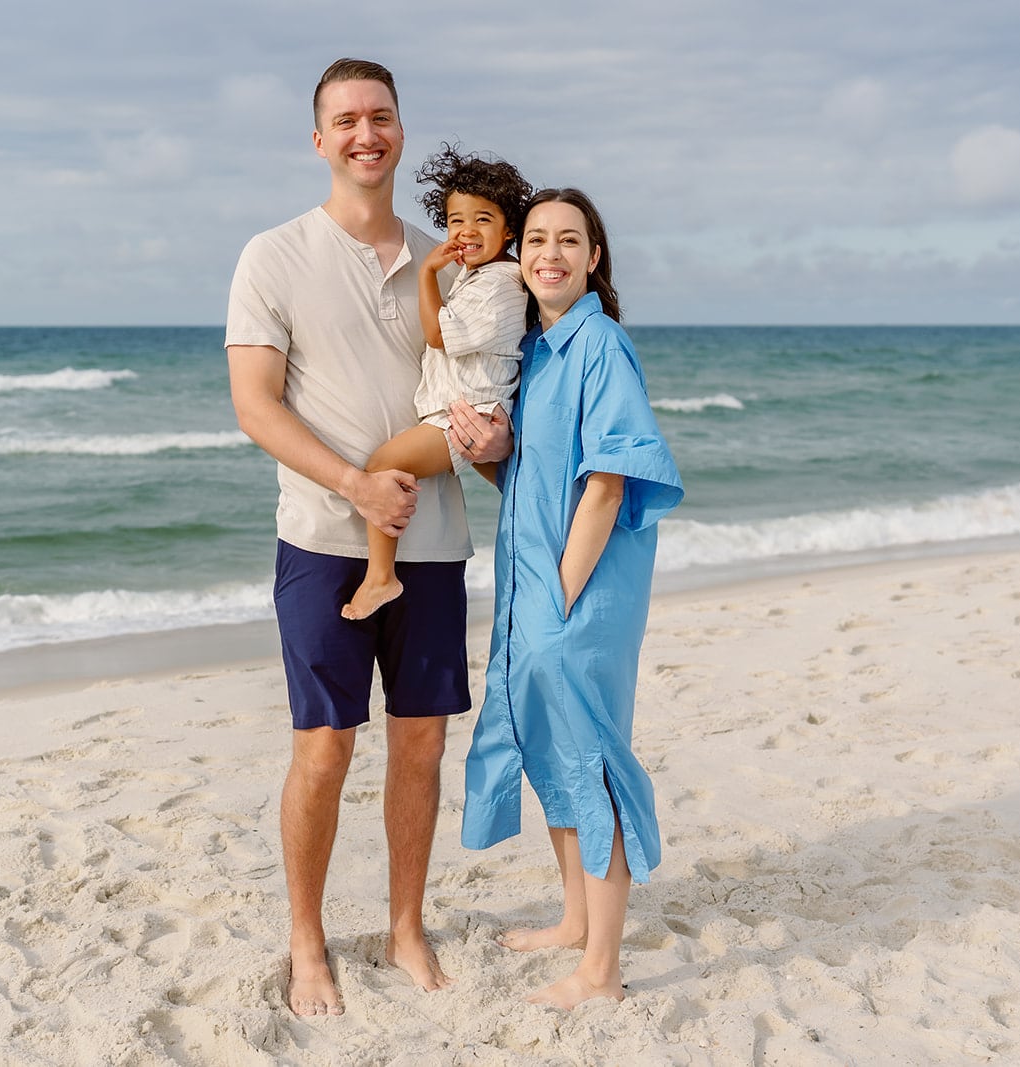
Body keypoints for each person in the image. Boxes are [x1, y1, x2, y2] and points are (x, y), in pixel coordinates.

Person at [224, 58, 512, 1018]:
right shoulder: (273, 255)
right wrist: (353, 480)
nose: (365, 134)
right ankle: (307, 939)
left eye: (380, 117)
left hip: (431, 543)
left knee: (421, 744)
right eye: (345, 120)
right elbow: (253, 404)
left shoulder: (453, 259)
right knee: (324, 746)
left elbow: (477, 386)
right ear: (319, 140)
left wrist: (493, 442)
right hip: (319, 535)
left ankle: (404, 925)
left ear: (400, 130)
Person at [456, 188, 684, 1009]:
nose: (550, 252)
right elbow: (531, 481)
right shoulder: (541, 350)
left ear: (594, 258)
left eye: (569, 240)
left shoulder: (601, 346)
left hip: (579, 596)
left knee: (592, 762)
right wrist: (489, 455)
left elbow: (605, 484)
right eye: (537, 240)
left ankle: (602, 971)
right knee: (552, 752)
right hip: (535, 591)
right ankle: (575, 920)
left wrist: (556, 600)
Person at [340, 145, 533, 621]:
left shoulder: (500, 284)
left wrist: (428, 272)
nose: (466, 232)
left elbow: (437, 334)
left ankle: (381, 577)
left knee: (385, 462)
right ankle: (553, 532)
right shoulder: (477, 277)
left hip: (466, 417)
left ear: (509, 229)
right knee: (524, 490)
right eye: (455, 221)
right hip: (464, 411)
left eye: (483, 220)